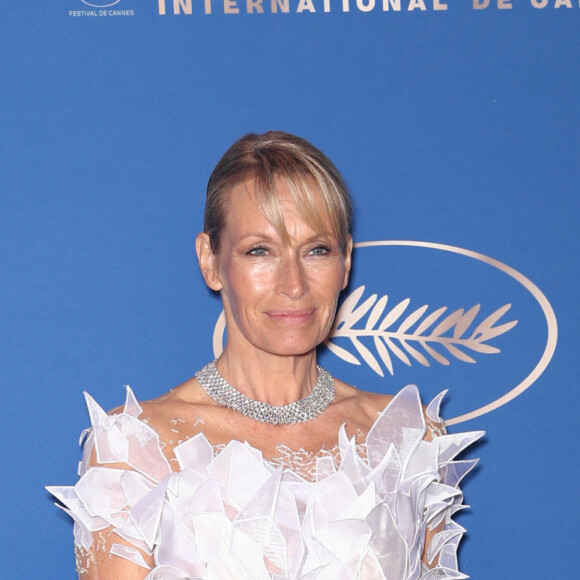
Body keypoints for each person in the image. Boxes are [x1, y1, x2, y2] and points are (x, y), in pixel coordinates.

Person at [48, 131, 483, 579]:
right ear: (211, 261)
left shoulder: (408, 440)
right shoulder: (136, 450)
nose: (293, 284)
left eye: (317, 250)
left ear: (346, 261)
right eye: (260, 250)